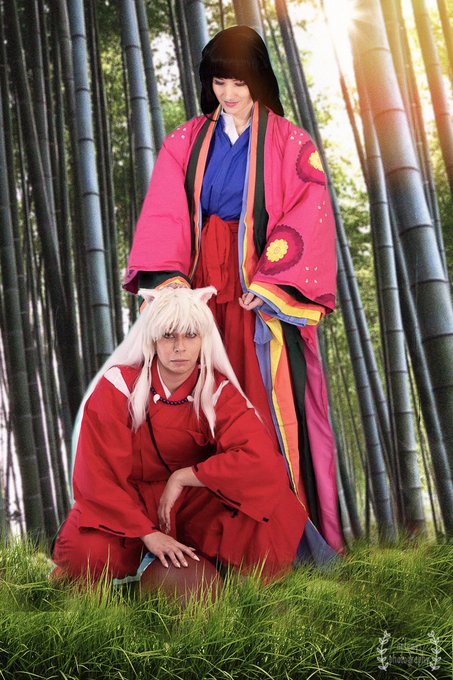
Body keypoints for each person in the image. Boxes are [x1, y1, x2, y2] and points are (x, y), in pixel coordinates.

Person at [123, 26, 342, 553]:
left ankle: (283, 541)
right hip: (199, 289)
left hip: (256, 294)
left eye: (239, 81)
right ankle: (200, 540)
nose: (228, 93)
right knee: (194, 408)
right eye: (219, 81)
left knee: (261, 409)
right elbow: (165, 213)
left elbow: (307, 215)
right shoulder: (186, 141)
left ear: (258, 79)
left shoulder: (292, 142)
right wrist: (174, 285)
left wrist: (271, 281)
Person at [52, 287, 318, 583]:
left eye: (191, 335)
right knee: (85, 553)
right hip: (126, 500)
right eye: (169, 335)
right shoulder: (118, 386)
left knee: (271, 508)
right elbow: (97, 474)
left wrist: (184, 477)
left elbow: (261, 461)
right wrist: (149, 534)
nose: (180, 347)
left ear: (204, 339)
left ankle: (225, 577)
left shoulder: (217, 390)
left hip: (189, 501)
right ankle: (128, 575)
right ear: (153, 339)